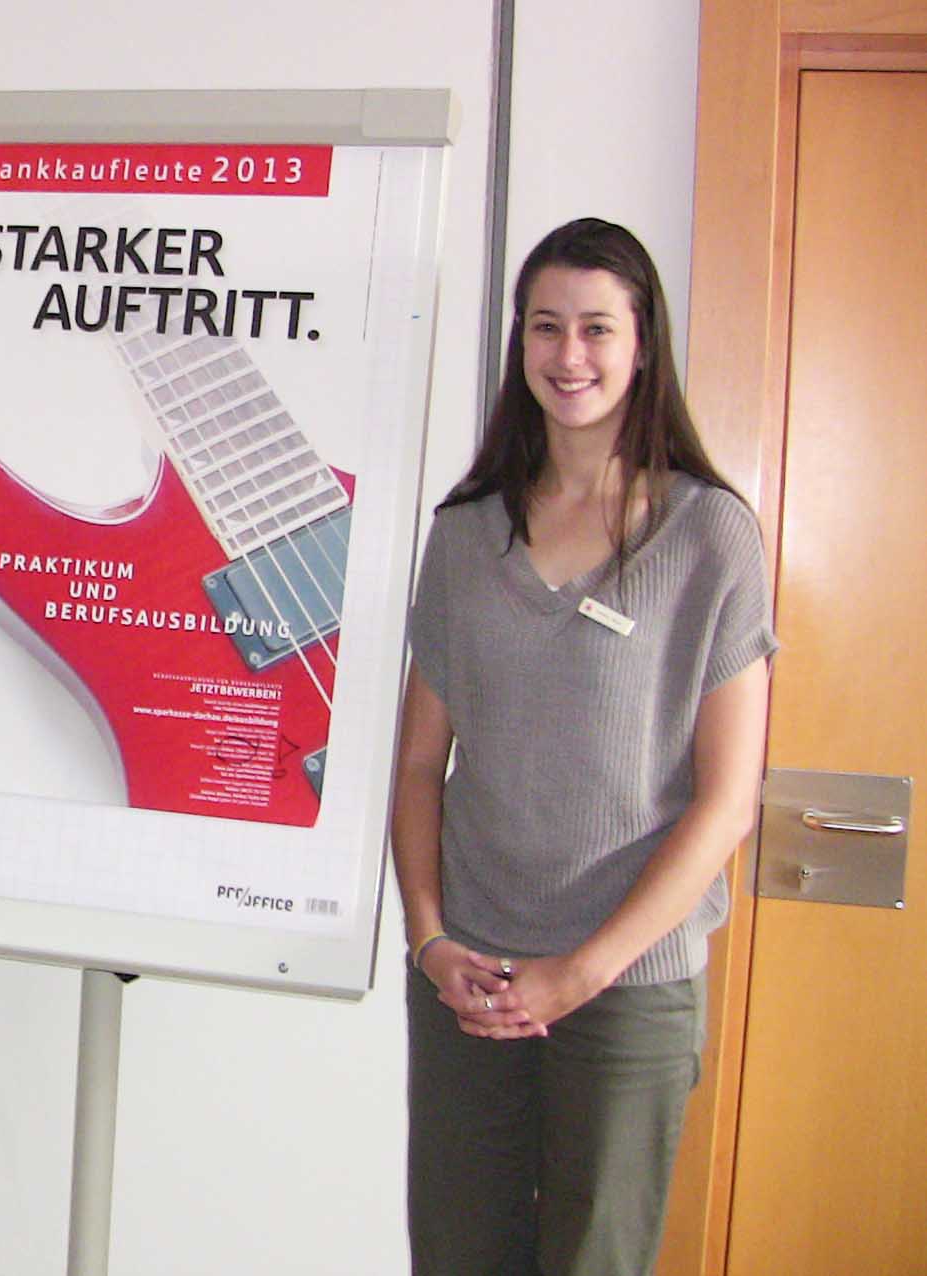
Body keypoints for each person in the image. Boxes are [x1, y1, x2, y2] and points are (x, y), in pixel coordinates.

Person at [391, 217, 776, 1275]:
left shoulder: (709, 536)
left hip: (626, 988)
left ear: (643, 345)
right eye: (546, 326)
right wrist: (429, 942)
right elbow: (419, 767)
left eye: (598, 328)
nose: (569, 355)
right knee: (457, 1257)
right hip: (470, 977)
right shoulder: (467, 533)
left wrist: (580, 972)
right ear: (519, 342)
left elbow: (725, 803)